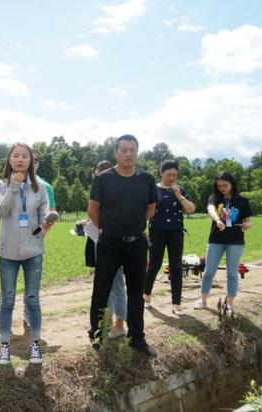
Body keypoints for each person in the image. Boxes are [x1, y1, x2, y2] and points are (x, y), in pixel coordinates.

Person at [87, 134, 158, 357]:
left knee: (136, 292)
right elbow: (93, 210)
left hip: (137, 243)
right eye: (124, 150)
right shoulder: (103, 179)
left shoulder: (146, 179)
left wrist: (134, 227)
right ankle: (98, 335)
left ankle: (137, 338)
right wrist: (109, 229)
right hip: (109, 243)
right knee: (101, 291)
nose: (129, 154)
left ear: (137, 152)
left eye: (133, 150)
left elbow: (151, 209)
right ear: (116, 153)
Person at [0, 143, 53, 365]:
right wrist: (13, 187)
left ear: (30, 161)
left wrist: (47, 220)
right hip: (8, 253)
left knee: (33, 299)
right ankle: (4, 346)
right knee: (7, 301)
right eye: (15, 155)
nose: (19, 159)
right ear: (9, 160)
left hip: (33, 251)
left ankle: (35, 344)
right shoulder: (1, 185)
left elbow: (45, 212)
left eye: (24, 156)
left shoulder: (39, 187)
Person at [79, 160, 127, 338]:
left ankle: (120, 326)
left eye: (98, 175)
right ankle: (106, 324)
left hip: (114, 243)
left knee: (117, 286)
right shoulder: (101, 192)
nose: (96, 179)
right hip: (102, 243)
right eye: (95, 175)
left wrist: (102, 228)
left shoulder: (118, 192)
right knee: (104, 287)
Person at [194, 171, 252, 316]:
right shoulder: (214, 198)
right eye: (219, 186)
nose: (222, 188)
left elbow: (248, 221)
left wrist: (247, 225)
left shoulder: (242, 200)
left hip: (236, 241)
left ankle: (229, 304)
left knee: (232, 273)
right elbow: (210, 209)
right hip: (216, 240)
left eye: (225, 185)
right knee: (209, 271)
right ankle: (203, 300)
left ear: (232, 184)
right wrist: (218, 220)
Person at [144, 160, 196, 316]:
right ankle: (146, 296)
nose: (172, 177)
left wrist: (179, 196)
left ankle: (176, 303)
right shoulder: (153, 189)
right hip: (157, 232)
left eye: (175, 174)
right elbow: (145, 210)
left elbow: (191, 209)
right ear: (161, 173)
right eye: (168, 174)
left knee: (176, 267)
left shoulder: (180, 190)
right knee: (154, 265)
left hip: (176, 233)